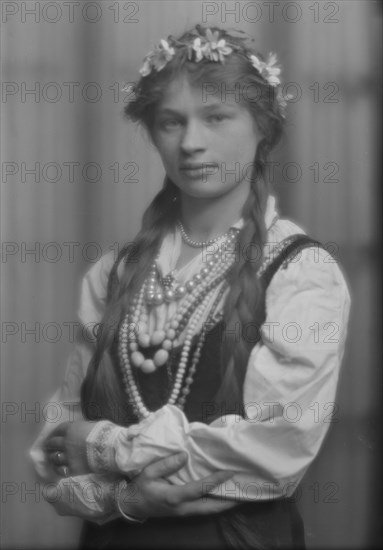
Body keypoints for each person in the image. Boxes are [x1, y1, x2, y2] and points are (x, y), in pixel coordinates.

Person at [30, 25, 351, 549]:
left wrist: (112, 448)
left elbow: (280, 446)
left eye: (217, 118)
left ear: (262, 129)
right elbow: (58, 451)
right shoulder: (113, 274)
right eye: (170, 123)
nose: (192, 143)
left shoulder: (298, 272)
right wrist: (127, 500)